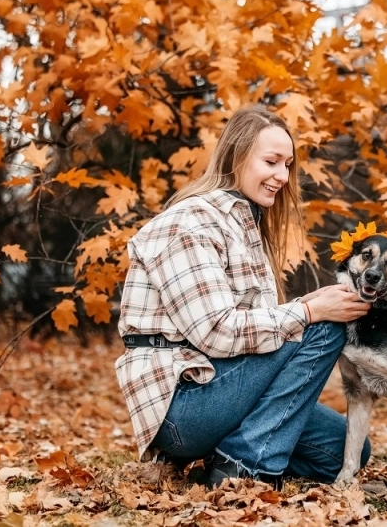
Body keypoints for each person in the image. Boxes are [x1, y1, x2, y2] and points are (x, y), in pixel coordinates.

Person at [115, 104, 372, 490]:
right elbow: (216, 331)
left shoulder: (244, 225)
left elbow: (261, 333)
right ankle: (243, 465)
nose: (282, 176)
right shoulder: (190, 222)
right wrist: (309, 310)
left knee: (346, 451)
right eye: (271, 161)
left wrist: (310, 305)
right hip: (183, 404)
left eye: (287, 165)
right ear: (236, 155)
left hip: (222, 388)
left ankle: (236, 450)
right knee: (325, 327)